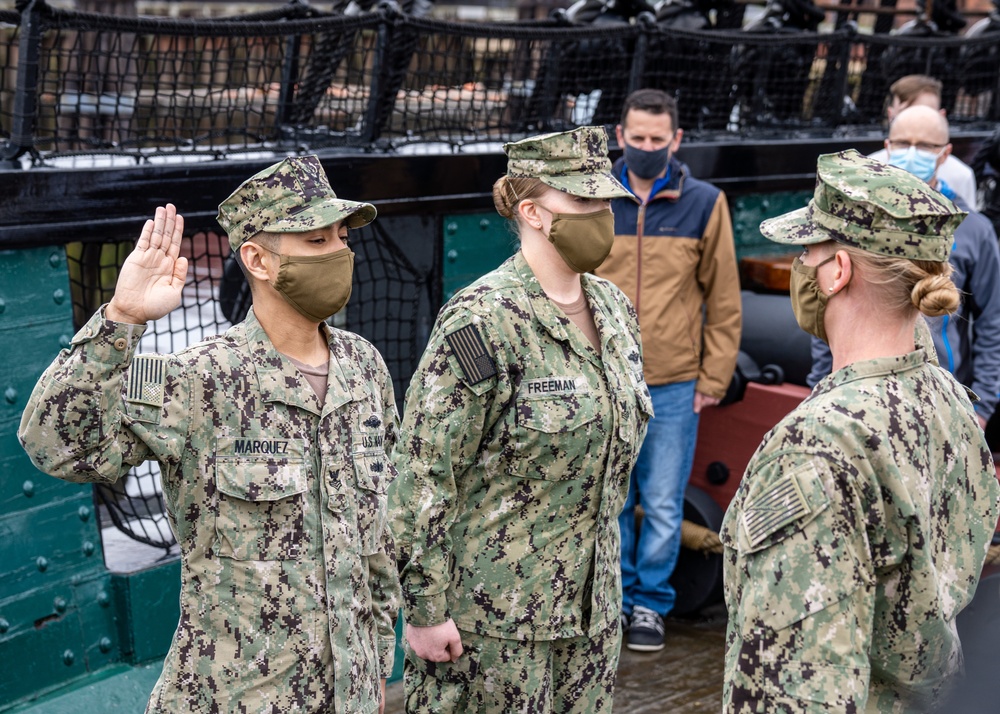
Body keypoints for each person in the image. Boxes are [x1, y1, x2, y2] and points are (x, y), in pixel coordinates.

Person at [18, 156, 401, 714]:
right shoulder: (200, 378)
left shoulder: (364, 367)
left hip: (355, 696)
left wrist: (379, 649)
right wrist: (122, 318)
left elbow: (382, 537)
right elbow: (56, 445)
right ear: (258, 260)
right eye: (317, 240)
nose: (339, 254)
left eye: (342, 238)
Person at [721, 149, 1000, 712]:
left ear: (839, 270)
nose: (801, 265)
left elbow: (795, 685)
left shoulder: (819, 442)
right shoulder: (947, 396)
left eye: (808, 251)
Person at [390, 127, 651, 713]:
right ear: (532, 211)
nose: (601, 215)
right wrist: (425, 611)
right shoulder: (483, 321)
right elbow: (425, 474)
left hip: (592, 613)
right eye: (583, 203)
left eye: (605, 202)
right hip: (496, 621)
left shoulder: (614, 309)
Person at [594, 87, 741, 651]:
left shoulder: (705, 202)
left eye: (659, 139)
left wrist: (713, 378)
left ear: (676, 140)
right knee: (610, 496)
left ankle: (648, 605)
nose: (647, 147)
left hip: (675, 382)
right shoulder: (595, 197)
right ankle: (610, 596)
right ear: (620, 135)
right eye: (638, 138)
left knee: (659, 499)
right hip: (606, 376)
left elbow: (723, 298)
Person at [807, 105, 1000, 428]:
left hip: (940, 403)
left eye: (925, 146)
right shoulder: (853, 219)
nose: (912, 153)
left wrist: (982, 406)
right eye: (902, 143)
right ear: (887, 146)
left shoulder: (974, 230)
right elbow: (827, 299)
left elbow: (993, 321)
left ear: (945, 154)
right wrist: (817, 384)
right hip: (856, 396)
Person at [868, 74, 978, 208]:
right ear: (891, 115)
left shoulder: (960, 175)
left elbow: (968, 223)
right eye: (906, 112)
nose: (917, 119)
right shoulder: (868, 168)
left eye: (925, 112)